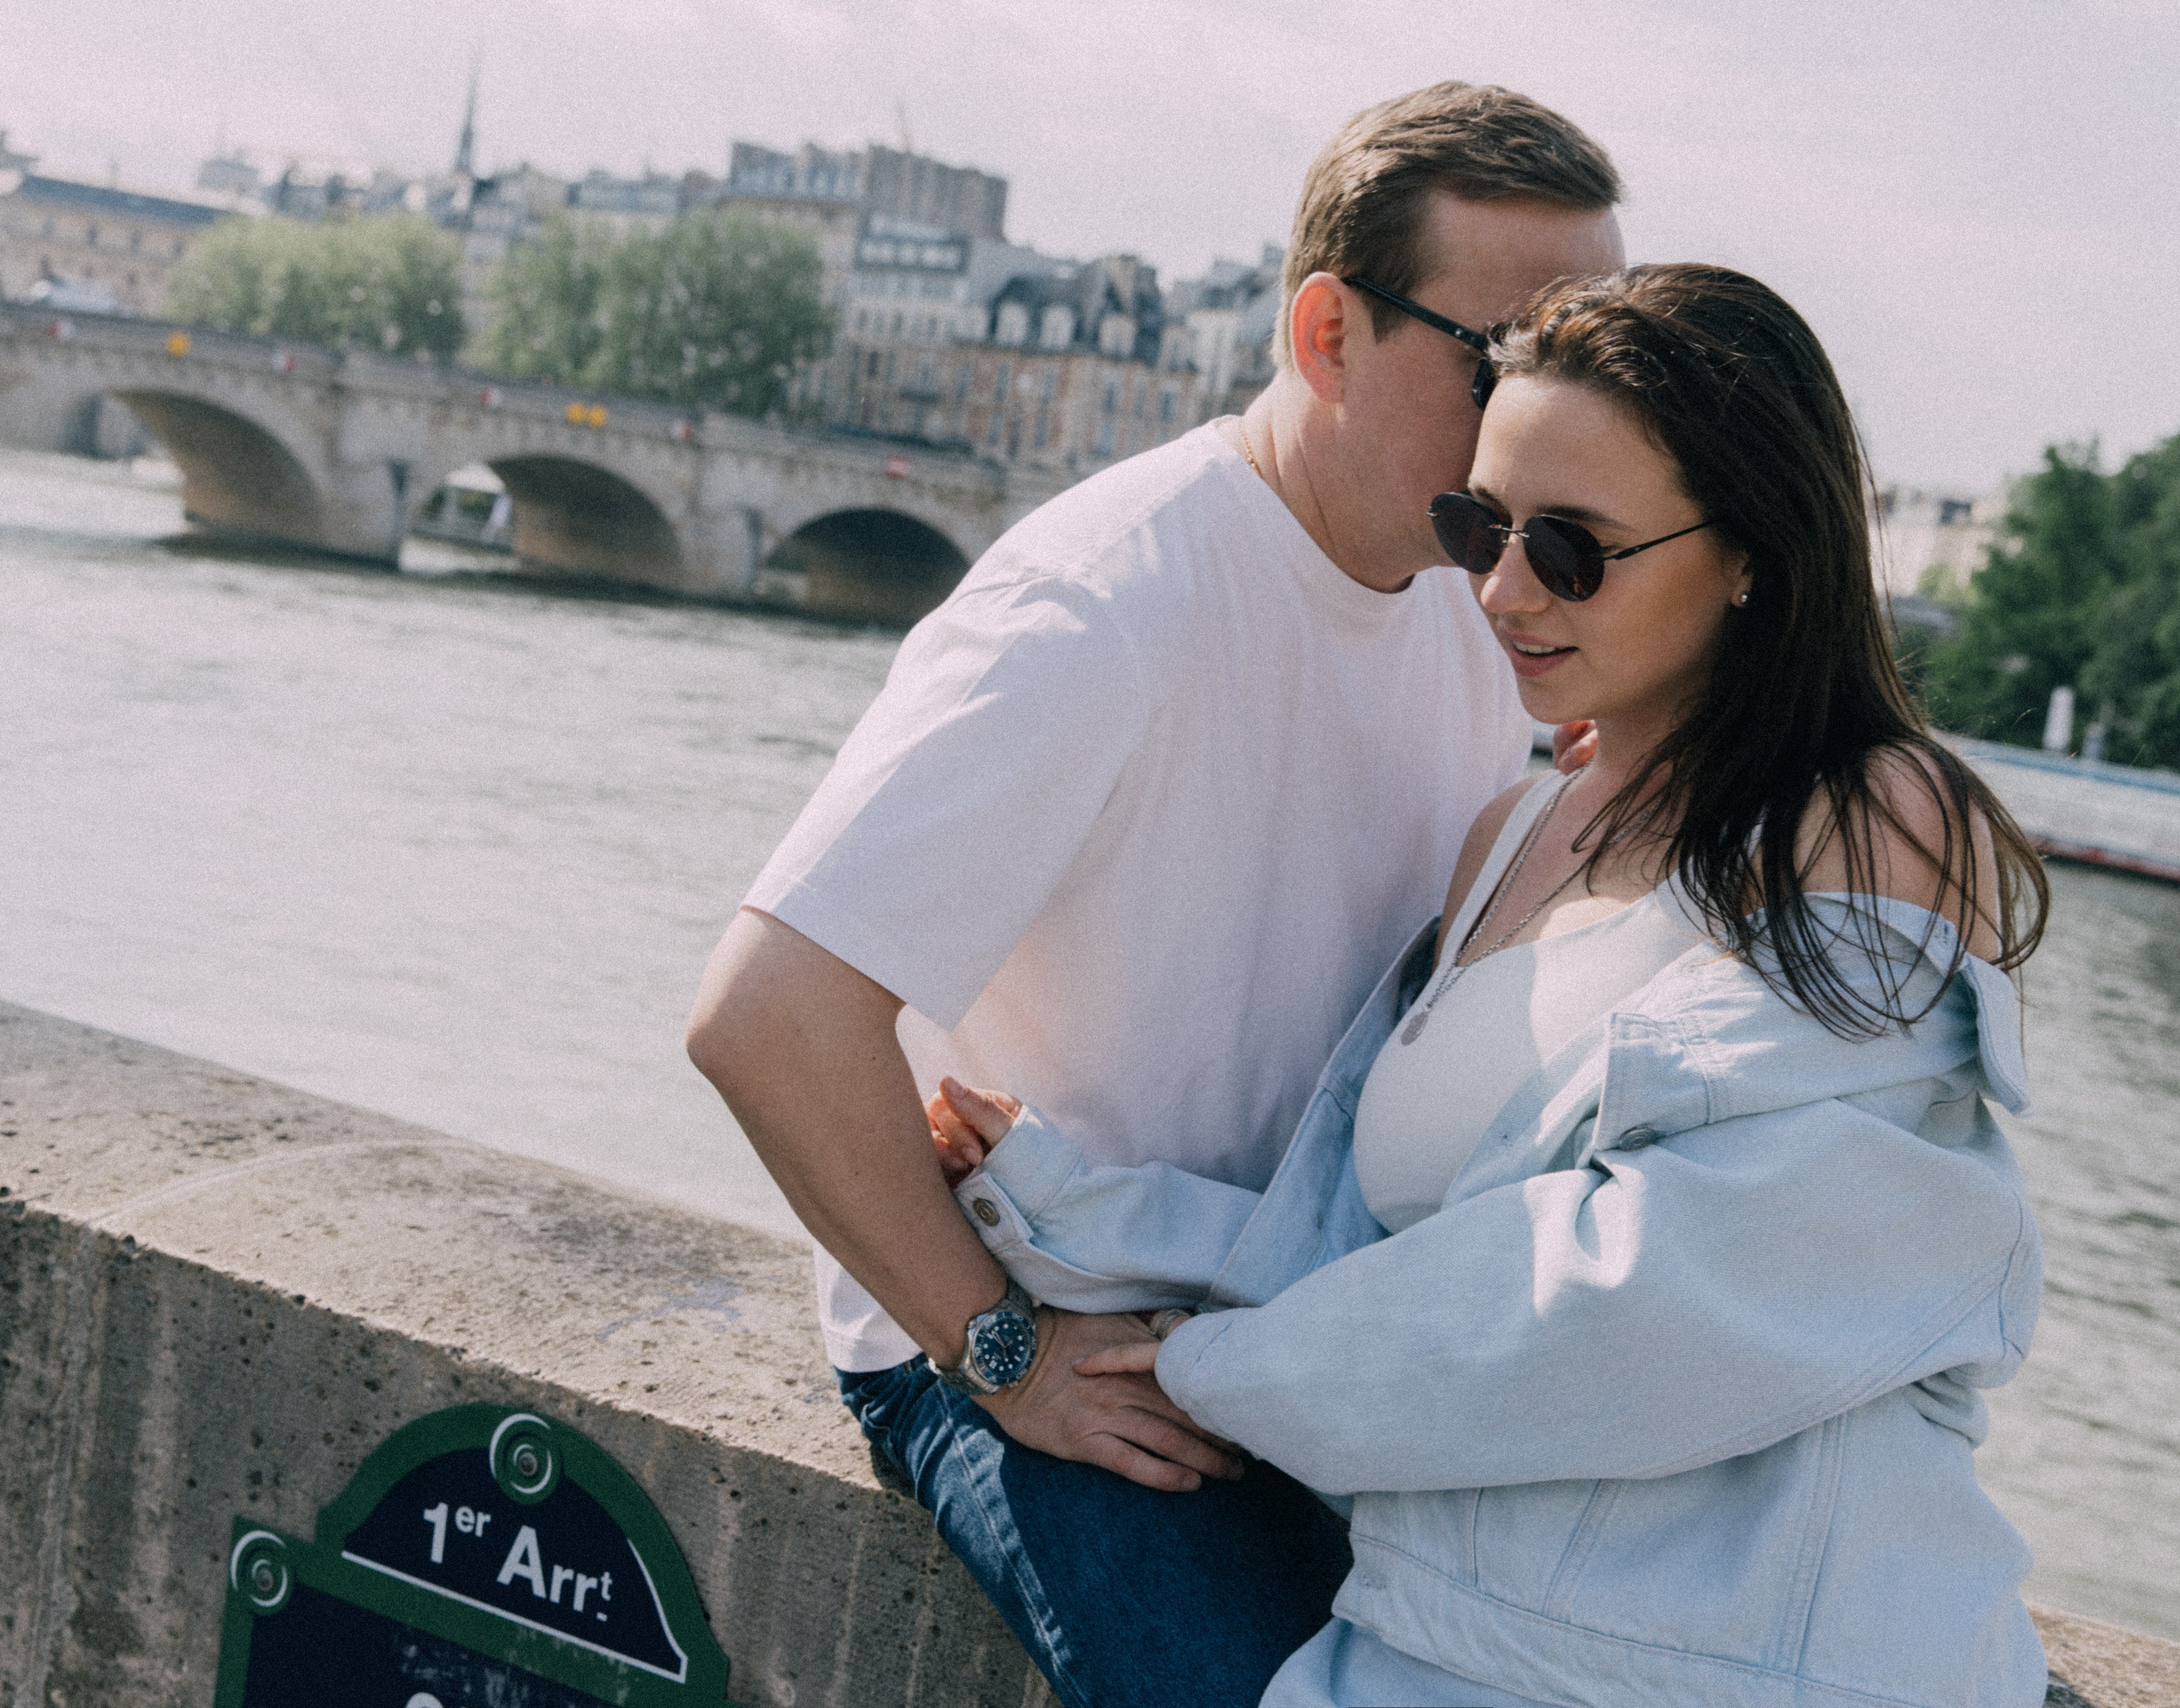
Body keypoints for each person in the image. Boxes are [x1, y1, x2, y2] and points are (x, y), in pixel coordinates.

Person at [924, 264, 2059, 1708]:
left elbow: (1665, 1296)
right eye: (1482, 527)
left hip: (1764, 1666)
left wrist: (1205, 1373)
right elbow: (1386, 1255)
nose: (1506, 592)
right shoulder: (1508, 839)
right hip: (1437, 1638)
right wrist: (1062, 1211)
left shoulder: (1872, 817)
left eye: (1574, 550)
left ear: (1753, 551)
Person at [685, 84, 1625, 1708]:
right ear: (1329, 331)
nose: (1553, 411)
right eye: (1506, 357)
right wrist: (997, 1355)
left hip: (1285, 1321)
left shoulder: (1478, 611)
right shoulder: (1100, 605)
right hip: (1068, 1329)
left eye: (1585, 357)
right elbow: (764, 1016)